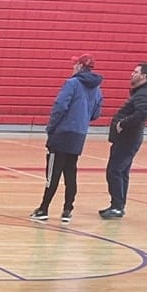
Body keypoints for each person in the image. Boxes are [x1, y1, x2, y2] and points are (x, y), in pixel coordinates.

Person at [29, 53, 102, 224]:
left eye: (75, 64)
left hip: (62, 134)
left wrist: (51, 127)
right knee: (71, 173)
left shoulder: (72, 83)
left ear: (79, 66)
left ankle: (43, 209)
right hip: (79, 135)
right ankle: (67, 210)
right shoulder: (97, 89)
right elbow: (96, 113)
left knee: (52, 174)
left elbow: (60, 106)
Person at [100, 61, 147, 218]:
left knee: (114, 171)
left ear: (143, 76)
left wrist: (122, 123)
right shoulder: (140, 92)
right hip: (126, 139)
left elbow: (142, 113)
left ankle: (117, 206)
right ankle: (118, 205)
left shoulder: (144, 94)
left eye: (136, 72)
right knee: (121, 171)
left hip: (128, 139)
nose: (132, 74)